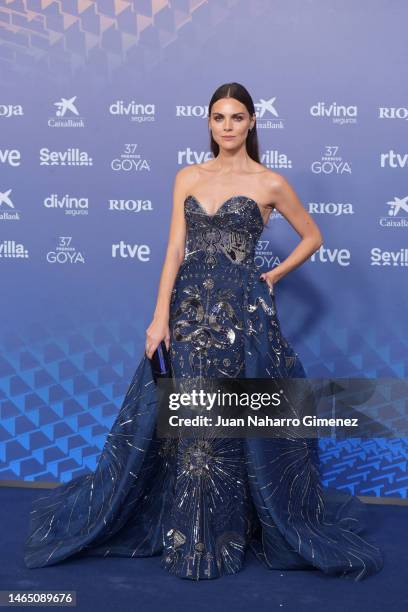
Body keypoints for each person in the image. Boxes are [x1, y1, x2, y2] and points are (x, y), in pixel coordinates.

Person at [23, 82, 383, 582]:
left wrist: (273, 276)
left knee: (227, 423)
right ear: (209, 123)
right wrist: (158, 316)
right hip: (188, 313)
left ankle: (223, 536)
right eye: (219, 117)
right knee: (187, 423)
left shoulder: (269, 182)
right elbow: (174, 250)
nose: (228, 126)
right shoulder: (188, 176)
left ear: (252, 122)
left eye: (237, 117)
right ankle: (186, 535)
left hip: (240, 317)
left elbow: (313, 236)